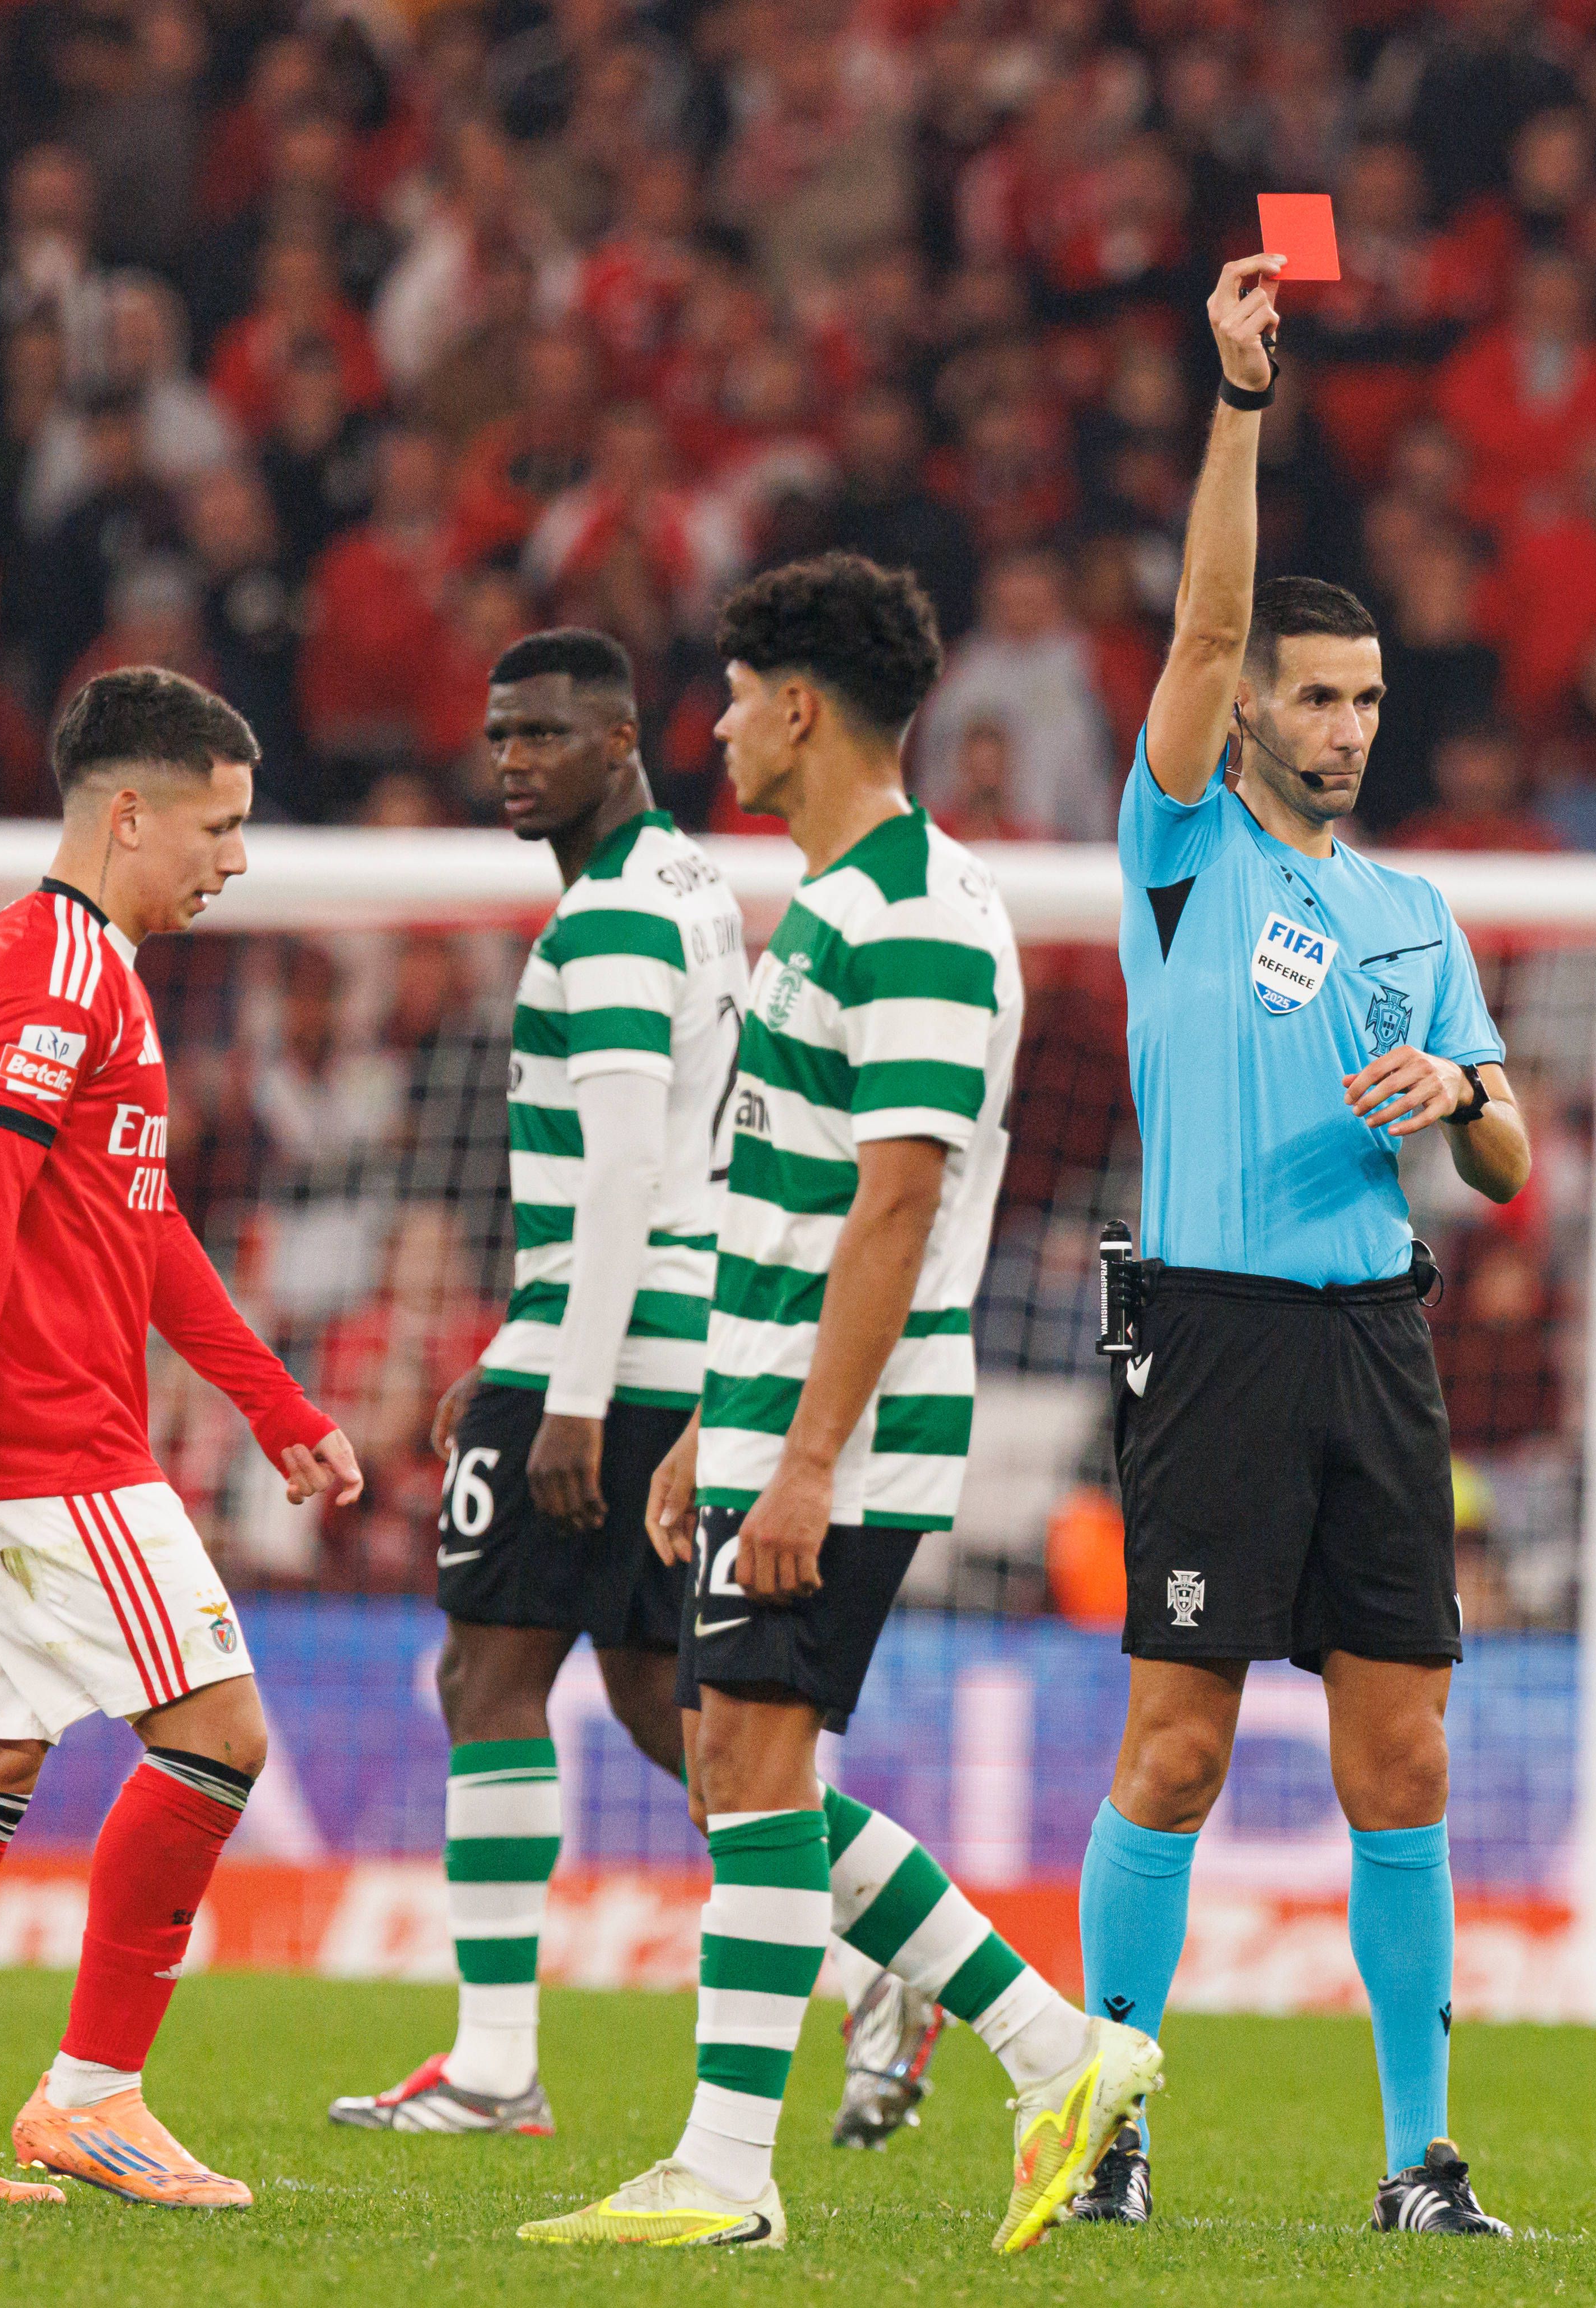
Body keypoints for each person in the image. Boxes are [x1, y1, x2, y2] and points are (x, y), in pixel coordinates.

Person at [520, 555, 1155, 2254]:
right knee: (743, 1770)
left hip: (846, 1428)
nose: (713, 724)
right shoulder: (836, 907)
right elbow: (790, 1209)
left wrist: (798, 1457)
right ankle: (1053, 2046)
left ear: (798, 708)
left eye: (732, 693)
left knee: (750, 1757)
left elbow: (893, 1208)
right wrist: (710, 1434)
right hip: (772, 1410)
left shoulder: (915, 918)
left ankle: (729, 2166)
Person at [1074, 254, 1532, 2240]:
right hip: (1213, 1332)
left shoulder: (1416, 909)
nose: (1342, 726)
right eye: (1314, 695)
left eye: (1365, 700)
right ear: (1246, 709)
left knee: (1402, 1749)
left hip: (1372, 1337)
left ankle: (1419, 2159)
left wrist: (1460, 1100)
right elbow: (1194, 613)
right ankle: (1104, 2119)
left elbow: (1507, 1151)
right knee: (1174, 1746)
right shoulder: (1182, 853)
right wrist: (1240, 401)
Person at [0, 668, 365, 2209]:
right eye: (220, 824)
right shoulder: (64, 973)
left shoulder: (56, 955)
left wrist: (275, 1403)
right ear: (133, 812)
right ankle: (93, 2094)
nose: (234, 859)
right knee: (221, 1734)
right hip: (55, 1446)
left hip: (31, 1443)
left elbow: (137, 1217)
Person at [325, 629, 775, 2132]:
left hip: (620, 1350)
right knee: (672, 1708)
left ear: (622, 740)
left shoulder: (616, 927)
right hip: (661, 1331)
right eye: (498, 734)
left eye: (544, 734)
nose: (511, 760)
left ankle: (498, 2064)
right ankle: (895, 1933)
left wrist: (566, 1389)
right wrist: (516, 1352)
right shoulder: (689, 887)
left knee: (489, 1673)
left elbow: (629, 1166)